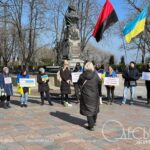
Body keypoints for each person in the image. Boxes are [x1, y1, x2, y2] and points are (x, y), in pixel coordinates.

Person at [78, 62, 101, 131]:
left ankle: (91, 126)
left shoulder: (82, 75)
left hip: (86, 95)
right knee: (94, 108)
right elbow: (99, 83)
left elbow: (79, 84)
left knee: (88, 109)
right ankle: (93, 122)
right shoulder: (96, 75)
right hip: (95, 94)